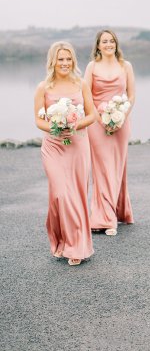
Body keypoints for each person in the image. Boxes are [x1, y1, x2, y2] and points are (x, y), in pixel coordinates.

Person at [34, 41, 95, 266]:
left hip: (78, 144)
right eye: (61, 59)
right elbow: (38, 119)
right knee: (59, 193)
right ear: (53, 61)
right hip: (53, 146)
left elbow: (92, 115)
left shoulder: (81, 84)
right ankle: (59, 239)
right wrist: (57, 126)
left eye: (68, 59)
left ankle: (76, 245)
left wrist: (74, 124)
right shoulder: (43, 87)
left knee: (75, 194)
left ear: (73, 61)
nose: (65, 63)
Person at [84, 29, 135, 236]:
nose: (108, 44)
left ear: (116, 44)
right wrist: (99, 117)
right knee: (103, 168)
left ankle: (119, 211)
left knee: (118, 167)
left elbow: (131, 96)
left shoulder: (126, 66)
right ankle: (105, 219)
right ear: (98, 45)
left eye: (111, 41)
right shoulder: (92, 66)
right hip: (97, 122)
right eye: (104, 41)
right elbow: (86, 96)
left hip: (121, 121)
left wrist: (121, 115)